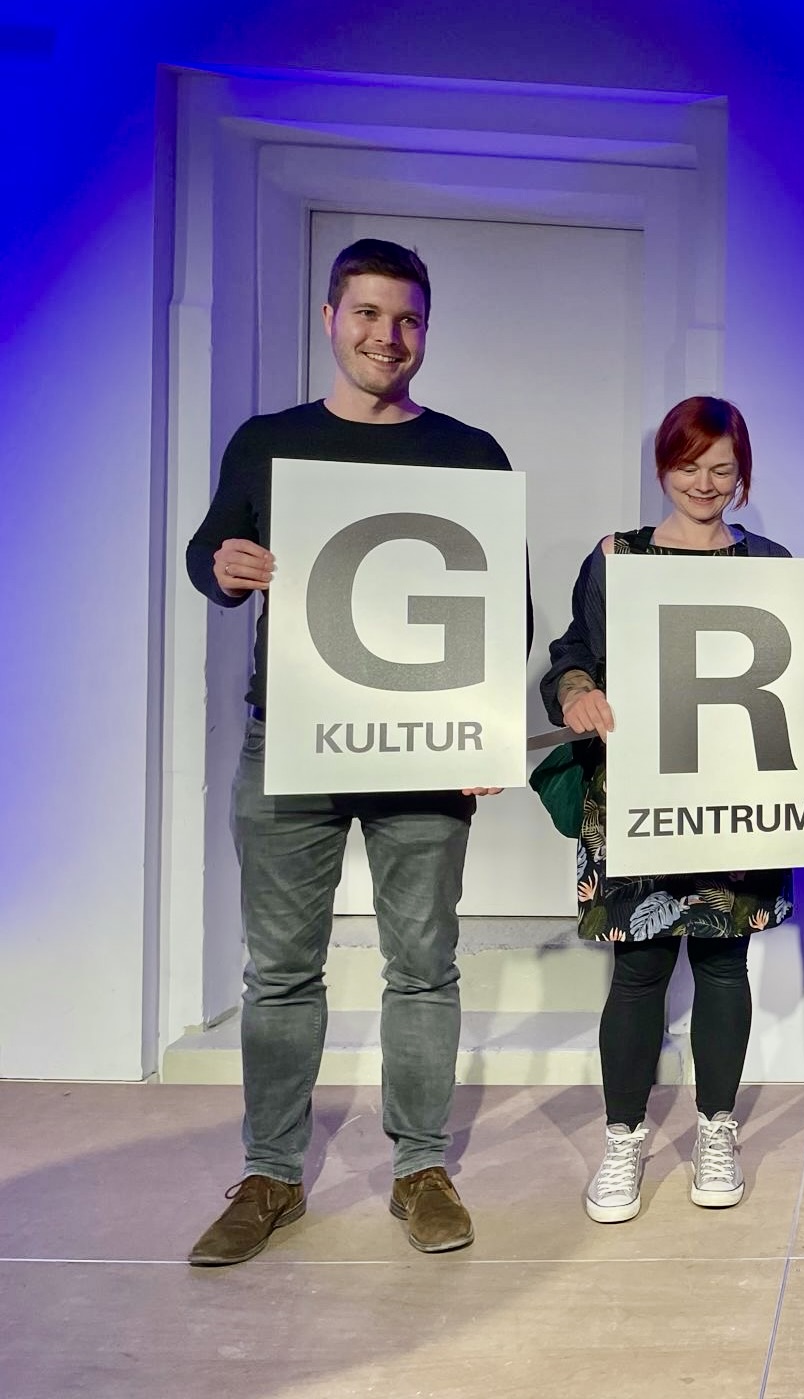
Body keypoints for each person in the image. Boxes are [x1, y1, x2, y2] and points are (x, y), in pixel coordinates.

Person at [184, 239, 523, 1264]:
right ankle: (270, 1176)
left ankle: (421, 1168)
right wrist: (225, 565)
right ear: (331, 318)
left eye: (408, 318)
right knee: (280, 969)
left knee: (423, 967)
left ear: (427, 330)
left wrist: (490, 726)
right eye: (369, 314)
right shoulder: (267, 442)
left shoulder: (469, 451)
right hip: (292, 736)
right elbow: (212, 550)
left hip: (424, 749)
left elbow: (501, 604)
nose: (389, 335)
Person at [541, 395, 804, 1224]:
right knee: (638, 971)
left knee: (725, 962)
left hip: (739, 793)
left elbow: (793, 676)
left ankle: (716, 1130)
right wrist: (579, 688)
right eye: (690, 465)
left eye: (722, 468)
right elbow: (572, 653)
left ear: (743, 474)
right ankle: (623, 1139)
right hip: (638, 791)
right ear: (663, 464)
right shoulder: (615, 556)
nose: (705, 482)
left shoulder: (771, 561)